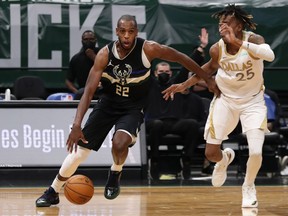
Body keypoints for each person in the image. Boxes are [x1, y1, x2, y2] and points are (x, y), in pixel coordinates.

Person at [35, 14, 220, 207]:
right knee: (80, 153)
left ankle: (115, 172)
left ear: (136, 33)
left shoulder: (148, 49)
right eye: (122, 31)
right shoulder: (104, 55)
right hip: (108, 104)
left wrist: (207, 78)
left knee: (120, 143)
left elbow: (181, 58)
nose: (126, 36)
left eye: (130, 32)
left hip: (133, 106)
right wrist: (76, 124)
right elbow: (88, 92)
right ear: (116, 32)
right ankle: (53, 191)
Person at [162, 4, 275, 208]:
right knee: (210, 153)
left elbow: (270, 56)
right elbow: (207, 69)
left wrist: (238, 42)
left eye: (227, 21)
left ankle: (248, 186)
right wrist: (185, 84)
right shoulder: (217, 48)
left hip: (253, 102)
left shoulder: (253, 40)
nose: (222, 24)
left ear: (239, 25)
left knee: (256, 152)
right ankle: (223, 160)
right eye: (220, 21)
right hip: (226, 100)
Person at [145, 62, 207, 180]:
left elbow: (185, 68)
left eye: (167, 72)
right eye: (161, 72)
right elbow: (145, 66)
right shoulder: (151, 85)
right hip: (155, 122)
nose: (164, 74)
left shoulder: (176, 85)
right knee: (156, 125)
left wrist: (200, 49)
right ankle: (154, 161)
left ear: (171, 73)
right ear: (155, 73)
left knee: (192, 124)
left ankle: (186, 159)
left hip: (174, 122)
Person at [65, 30, 101, 99]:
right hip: (83, 93)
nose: (88, 41)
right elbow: (68, 81)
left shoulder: (103, 54)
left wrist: (94, 57)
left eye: (91, 39)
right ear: (82, 41)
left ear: (95, 40)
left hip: (101, 91)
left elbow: (110, 69)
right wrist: (76, 92)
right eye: (86, 39)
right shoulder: (76, 58)